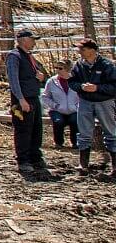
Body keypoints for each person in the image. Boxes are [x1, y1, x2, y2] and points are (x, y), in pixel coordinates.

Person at [3, 30, 50, 179]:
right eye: (32, 39)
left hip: (34, 96)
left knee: (36, 129)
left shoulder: (30, 57)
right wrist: (21, 99)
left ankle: (35, 156)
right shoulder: (14, 56)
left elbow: (41, 74)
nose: (34, 42)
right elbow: (13, 80)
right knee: (23, 130)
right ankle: (23, 159)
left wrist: (42, 77)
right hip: (22, 99)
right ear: (23, 40)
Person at [68, 38, 116, 177]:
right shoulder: (78, 65)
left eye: (83, 49)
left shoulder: (107, 65)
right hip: (85, 101)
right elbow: (72, 82)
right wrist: (81, 87)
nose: (80, 52)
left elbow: (114, 86)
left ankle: (115, 166)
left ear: (92, 50)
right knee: (84, 133)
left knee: (111, 133)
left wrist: (97, 88)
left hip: (104, 102)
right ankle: (83, 164)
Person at [42, 65, 80, 151]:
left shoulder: (76, 80)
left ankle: (76, 143)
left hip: (74, 109)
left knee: (74, 120)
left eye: (60, 68)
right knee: (58, 122)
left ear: (68, 70)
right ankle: (58, 143)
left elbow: (82, 95)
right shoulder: (51, 81)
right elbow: (45, 97)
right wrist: (54, 105)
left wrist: (77, 106)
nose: (58, 70)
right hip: (56, 109)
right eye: (56, 68)